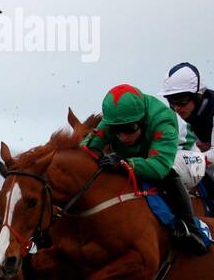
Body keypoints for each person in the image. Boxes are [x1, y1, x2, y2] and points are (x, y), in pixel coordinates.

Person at [83, 83, 207, 254]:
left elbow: (159, 167)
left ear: (143, 120)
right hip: (147, 154)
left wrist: (125, 163)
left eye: (129, 129)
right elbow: (85, 151)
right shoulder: (114, 119)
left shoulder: (163, 120)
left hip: (186, 156)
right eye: (116, 131)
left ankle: (191, 229)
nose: (123, 137)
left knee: (169, 172)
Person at [161, 62, 214, 209]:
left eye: (181, 100)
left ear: (198, 95)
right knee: (197, 175)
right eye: (171, 101)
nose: (176, 108)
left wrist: (184, 159)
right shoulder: (185, 112)